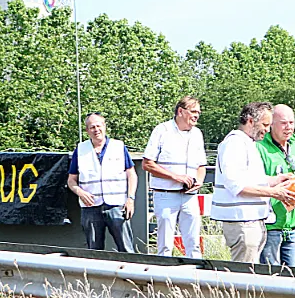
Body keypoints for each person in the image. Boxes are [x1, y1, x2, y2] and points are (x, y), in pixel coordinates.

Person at [210, 102, 295, 263]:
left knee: (250, 273)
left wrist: (275, 180)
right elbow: (237, 186)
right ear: (250, 120)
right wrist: (274, 192)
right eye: (265, 124)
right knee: (243, 275)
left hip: (250, 221)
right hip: (242, 222)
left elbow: (248, 180)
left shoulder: (247, 143)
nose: (267, 129)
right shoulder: (235, 144)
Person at [143, 96, 207, 258]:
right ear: (180, 111)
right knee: (165, 245)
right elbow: (147, 164)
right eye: (193, 111)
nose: (196, 115)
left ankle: (195, 279)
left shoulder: (197, 134)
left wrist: (198, 181)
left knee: (193, 244)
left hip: (189, 196)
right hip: (165, 195)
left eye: (198, 112)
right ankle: (162, 279)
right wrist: (175, 177)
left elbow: (201, 165)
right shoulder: (162, 130)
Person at [67, 113, 137, 252]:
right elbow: (71, 180)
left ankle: (131, 273)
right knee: (94, 250)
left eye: (99, 126)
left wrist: (130, 199)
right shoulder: (80, 150)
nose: (96, 129)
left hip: (117, 205)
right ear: (87, 130)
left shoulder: (118, 146)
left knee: (126, 248)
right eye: (92, 127)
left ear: (104, 127)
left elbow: (132, 174)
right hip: (91, 207)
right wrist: (80, 192)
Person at [256, 104, 295, 267]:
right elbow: (256, 181)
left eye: (292, 122)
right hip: (270, 226)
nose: (289, 127)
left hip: (292, 227)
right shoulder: (260, 148)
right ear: (271, 123)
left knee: (293, 278)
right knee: (270, 277)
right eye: (283, 123)